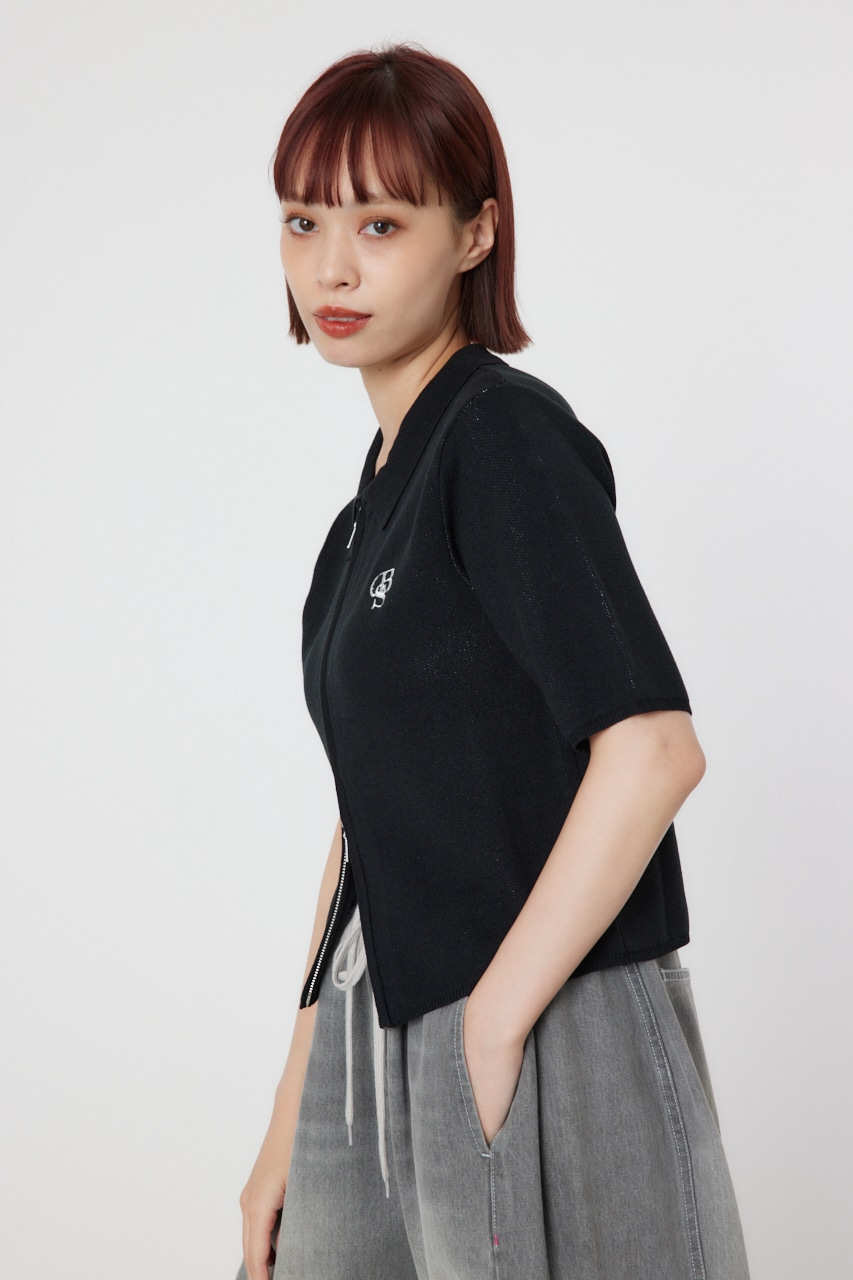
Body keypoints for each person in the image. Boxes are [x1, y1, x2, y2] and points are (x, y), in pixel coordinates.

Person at [236, 42, 750, 1280]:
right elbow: (365, 824)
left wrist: (497, 1016)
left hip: (540, 1009)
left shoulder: (500, 436)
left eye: (380, 222)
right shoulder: (362, 518)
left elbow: (652, 747)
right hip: (376, 1029)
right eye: (304, 222)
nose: (332, 266)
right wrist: (290, 1112)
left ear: (474, 233)